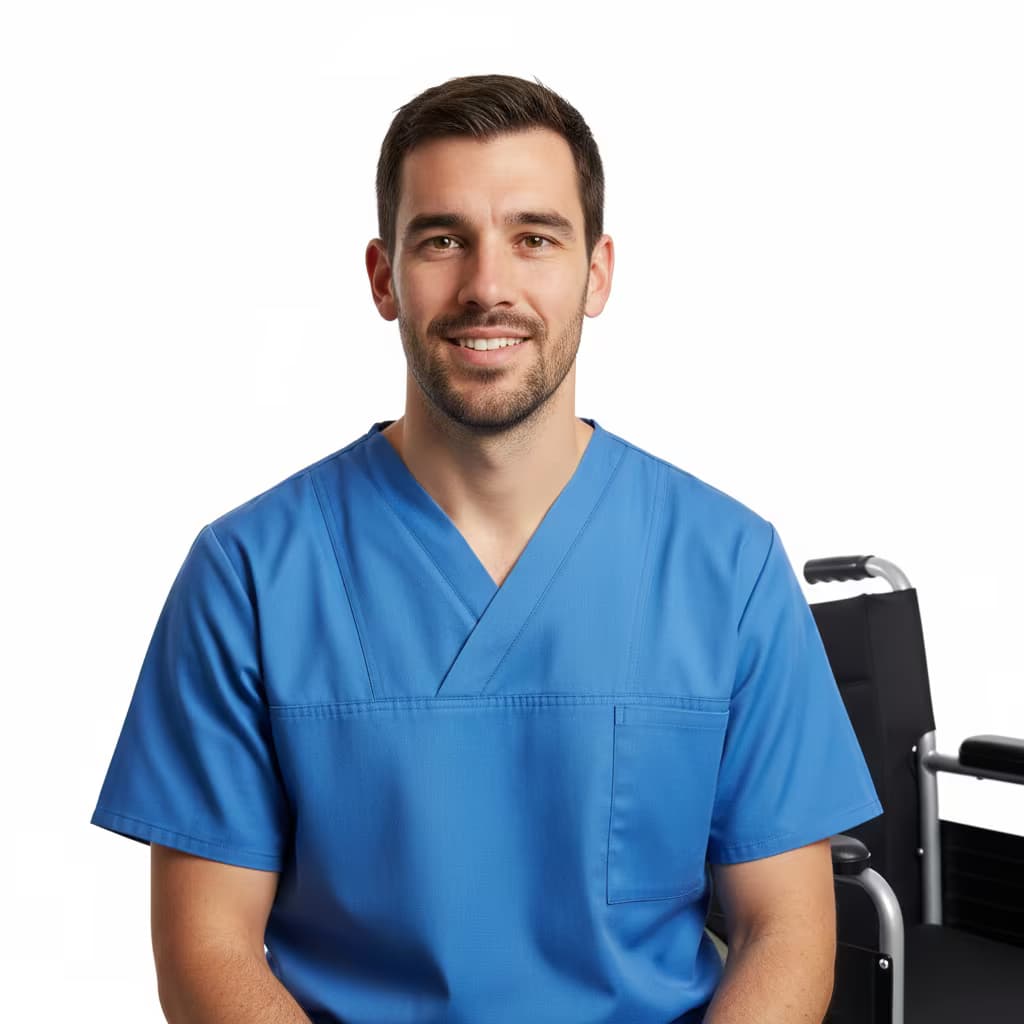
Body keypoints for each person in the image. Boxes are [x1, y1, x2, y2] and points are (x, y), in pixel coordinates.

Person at [90, 73, 882, 1024]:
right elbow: (205, 950)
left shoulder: (727, 567)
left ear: (597, 273)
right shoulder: (249, 575)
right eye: (442, 240)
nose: (487, 287)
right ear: (384, 277)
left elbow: (784, 934)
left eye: (535, 238)